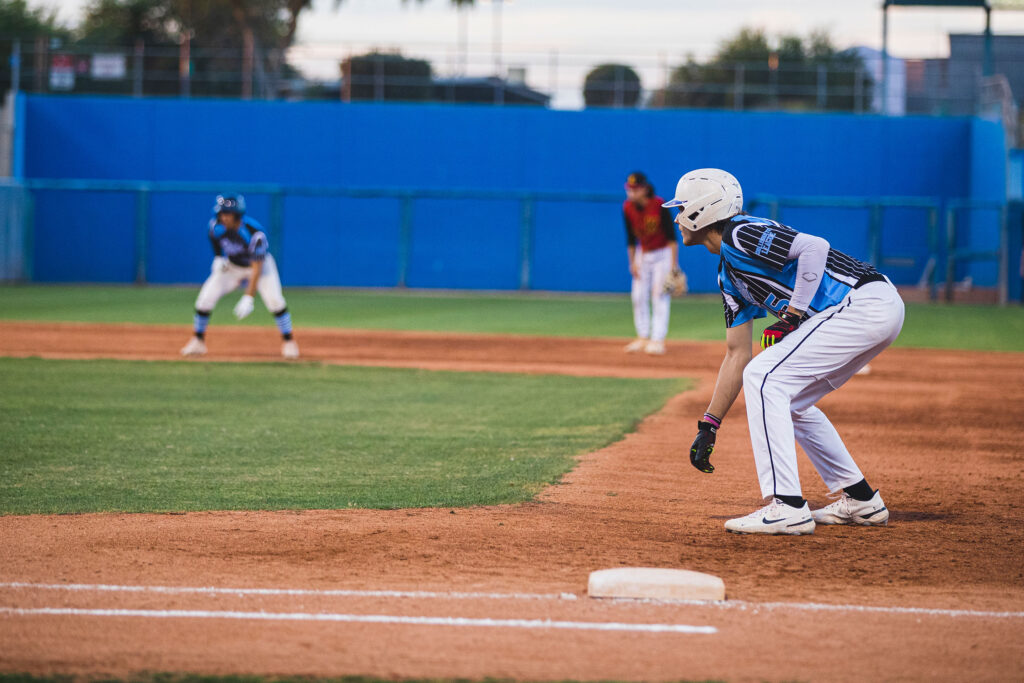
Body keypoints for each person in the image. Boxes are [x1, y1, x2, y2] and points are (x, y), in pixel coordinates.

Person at [665, 169, 903, 535]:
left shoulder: (740, 232)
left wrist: (791, 316)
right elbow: (736, 353)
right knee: (787, 400)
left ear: (701, 211)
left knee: (764, 378)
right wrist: (709, 424)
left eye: (681, 208)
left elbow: (814, 247)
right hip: (865, 310)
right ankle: (861, 500)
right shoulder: (728, 275)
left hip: (864, 303)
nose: (677, 217)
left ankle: (787, 506)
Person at [180, 194, 299, 360]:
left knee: (275, 301)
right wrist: (218, 257)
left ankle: (289, 342)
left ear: (237, 215)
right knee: (204, 299)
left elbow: (256, 268)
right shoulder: (215, 226)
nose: (224, 217)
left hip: (260, 266)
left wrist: (248, 297)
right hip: (232, 266)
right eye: (222, 213)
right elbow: (213, 239)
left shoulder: (254, 233)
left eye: (228, 213)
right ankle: (197, 341)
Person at [621, 171, 682, 355]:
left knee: (659, 295)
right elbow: (630, 239)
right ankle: (642, 336)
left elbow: (672, 238)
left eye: (635, 189)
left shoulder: (659, 205)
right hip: (643, 253)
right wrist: (632, 263)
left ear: (644, 189)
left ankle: (657, 339)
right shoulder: (627, 208)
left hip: (662, 253)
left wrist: (674, 265)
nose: (631, 193)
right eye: (629, 189)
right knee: (638, 295)